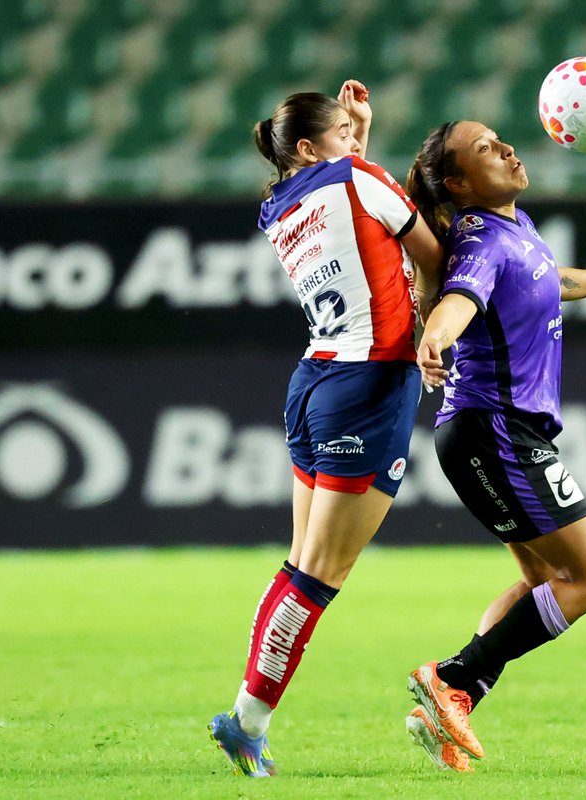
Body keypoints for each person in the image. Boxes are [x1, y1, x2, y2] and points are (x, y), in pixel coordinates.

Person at [401, 120, 586, 773]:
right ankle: (451, 679)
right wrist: (436, 336)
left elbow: (554, 281)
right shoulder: (478, 238)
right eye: (484, 150)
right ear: (459, 185)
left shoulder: (514, 232)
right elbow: (460, 298)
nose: (505, 148)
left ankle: (449, 702)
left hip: (489, 431)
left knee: (541, 581)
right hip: (495, 427)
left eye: (500, 139)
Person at [207, 80, 444, 778]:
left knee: (301, 564)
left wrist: (359, 132)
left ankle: (248, 720)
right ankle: (246, 722)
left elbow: (352, 201)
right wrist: (439, 327)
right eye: (343, 129)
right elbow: (428, 253)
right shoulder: (355, 179)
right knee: (320, 574)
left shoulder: (279, 203)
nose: (355, 137)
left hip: (316, 380)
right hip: (370, 383)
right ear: (311, 146)